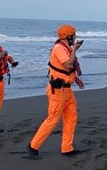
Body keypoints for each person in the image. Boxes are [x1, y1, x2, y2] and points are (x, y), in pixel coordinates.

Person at [28, 25, 85, 159]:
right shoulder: (59, 48)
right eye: (74, 35)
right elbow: (68, 65)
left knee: (71, 118)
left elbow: (64, 70)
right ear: (68, 36)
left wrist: (75, 79)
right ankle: (33, 146)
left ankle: (67, 148)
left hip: (67, 89)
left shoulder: (65, 48)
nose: (75, 37)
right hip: (58, 91)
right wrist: (75, 50)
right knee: (52, 119)